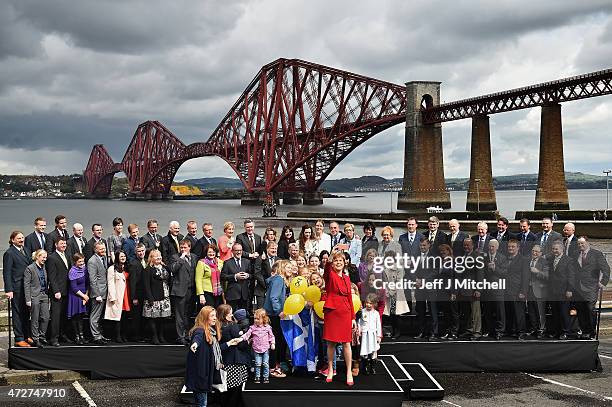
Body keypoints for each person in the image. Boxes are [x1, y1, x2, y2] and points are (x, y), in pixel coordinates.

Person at [185, 306, 242, 407]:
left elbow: (214, 350)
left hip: (203, 375)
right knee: (202, 404)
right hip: (200, 376)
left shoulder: (210, 333)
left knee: (201, 403)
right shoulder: (200, 331)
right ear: (205, 317)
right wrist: (195, 344)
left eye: (215, 315)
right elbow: (197, 339)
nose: (215, 318)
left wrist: (229, 343)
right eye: (212, 316)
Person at [322, 251, 355, 386]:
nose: (338, 263)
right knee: (331, 343)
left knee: (346, 343)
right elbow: (326, 270)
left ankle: (348, 372)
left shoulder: (347, 278)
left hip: (345, 313)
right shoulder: (330, 275)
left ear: (344, 263)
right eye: (336, 261)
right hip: (332, 312)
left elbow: (350, 299)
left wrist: (353, 317)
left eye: (340, 261)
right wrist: (330, 258)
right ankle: (330, 369)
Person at [574, 237, 610, 339]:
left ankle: (591, 332)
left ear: (587, 243)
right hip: (578, 287)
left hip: (591, 287)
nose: (580, 245)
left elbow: (606, 269)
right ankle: (584, 330)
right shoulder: (576, 254)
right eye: (579, 244)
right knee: (580, 309)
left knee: (590, 309)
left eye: (582, 243)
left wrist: (603, 282)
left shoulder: (596, 254)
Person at [217, 304, 250, 407]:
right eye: (230, 312)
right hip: (235, 362)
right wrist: (247, 341)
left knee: (224, 387)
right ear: (225, 315)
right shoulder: (232, 325)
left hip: (224, 359)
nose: (232, 314)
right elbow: (241, 344)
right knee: (236, 388)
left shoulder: (218, 326)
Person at [263, 260, 289, 378]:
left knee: (276, 341)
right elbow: (274, 297)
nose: (290, 269)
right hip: (274, 315)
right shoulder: (279, 279)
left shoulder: (277, 279)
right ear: (282, 268)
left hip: (272, 314)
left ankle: (274, 366)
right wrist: (279, 311)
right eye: (288, 267)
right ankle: (273, 368)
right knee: (275, 341)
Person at [171, 239, 198, 345]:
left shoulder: (195, 257)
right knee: (180, 315)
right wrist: (181, 258)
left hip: (191, 290)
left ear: (189, 247)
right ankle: (180, 337)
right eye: (181, 247)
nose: (183, 249)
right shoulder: (175, 257)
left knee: (188, 314)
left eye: (185, 247)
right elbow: (173, 269)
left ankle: (187, 334)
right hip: (179, 291)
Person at [46, 237, 72, 346]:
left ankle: (62, 335)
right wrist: (56, 290)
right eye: (61, 243)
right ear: (56, 245)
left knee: (64, 316)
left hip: (67, 291)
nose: (64, 245)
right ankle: (54, 338)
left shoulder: (67, 255)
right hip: (57, 292)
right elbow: (52, 276)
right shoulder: (52, 257)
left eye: (65, 243)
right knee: (56, 316)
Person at [142, 249, 172, 344]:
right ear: (151, 258)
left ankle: (161, 335)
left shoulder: (165, 268)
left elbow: (170, 280)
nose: (159, 257)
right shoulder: (148, 270)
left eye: (159, 255)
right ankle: (154, 337)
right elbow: (146, 285)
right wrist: (150, 298)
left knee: (162, 318)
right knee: (153, 318)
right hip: (153, 297)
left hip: (165, 296)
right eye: (156, 256)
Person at [548, 241, 575, 340]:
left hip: (564, 291)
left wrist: (569, 289)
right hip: (553, 291)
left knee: (564, 313)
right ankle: (557, 331)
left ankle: (565, 332)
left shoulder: (568, 260)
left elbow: (572, 276)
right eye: (553, 249)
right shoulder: (551, 259)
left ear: (562, 249)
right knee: (555, 312)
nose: (554, 251)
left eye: (556, 249)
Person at [504, 240, 530, 340]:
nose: (510, 248)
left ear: (518, 248)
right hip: (506, 290)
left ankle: (521, 332)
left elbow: (526, 277)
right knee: (509, 312)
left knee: (519, 313)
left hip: (518, 291)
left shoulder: (524, 259)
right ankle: (511, 331)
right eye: (509, 247)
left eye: (513, 247)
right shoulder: (505, 258)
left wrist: (523, 292)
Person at [241, 308, 275, 384]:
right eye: (254, 318)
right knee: (257, 363)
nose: (256, 320)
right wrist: (242, 338)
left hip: (265, 348)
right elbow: (247, 335)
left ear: (263, 319)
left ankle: (266, 377)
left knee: (265, 363)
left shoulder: (267, 328)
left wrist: (272, 343)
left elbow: (271, 336)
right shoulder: (252, 328)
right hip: (256, 349)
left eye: (258, 319)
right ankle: (257, 377)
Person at [24, 249, 49, 347]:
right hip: (34, 296)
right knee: (34, 318)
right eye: (43, 257)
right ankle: (35, 338)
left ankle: (42, 335)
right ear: (38, 257)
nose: (45, 259)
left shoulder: (44, 267)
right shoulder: (30, 268)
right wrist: (28, 299)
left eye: (46, 257)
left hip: (44, 295)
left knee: (46, 317)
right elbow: (26, 285)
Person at [482, 239, 507, 340]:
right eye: (490, 246)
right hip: (487, 288)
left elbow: (505, 273)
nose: (491, 248)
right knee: (487, 311)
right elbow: (480, 272)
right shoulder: (483, 257)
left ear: (497, 247)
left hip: (498, 289)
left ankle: (500, 331)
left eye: (493, 246)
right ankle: (489, 330)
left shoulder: (502, 257)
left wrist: (494, 269)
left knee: (499, 311)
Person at [104, 250, 130, 343]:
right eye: (121, 256)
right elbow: (110, 283)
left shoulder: (127, 267)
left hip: (127, 294)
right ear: (117, 257)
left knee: (125, 317)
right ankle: (117, 336)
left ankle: (124, 335)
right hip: (118, 295)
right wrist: (112, 297)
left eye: (124, 256)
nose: (123, 258)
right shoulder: (112, 268)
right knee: (117, 317)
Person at [87, 241, 110, 345]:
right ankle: (95, 337)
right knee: (95, 316)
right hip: (98, 294)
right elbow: (93, 280)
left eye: (104, 248)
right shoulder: (92, 261)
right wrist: (97, 295)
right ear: (95, 250)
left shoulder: (104, 258)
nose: (103, 250)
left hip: (104, 292)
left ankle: (99, 335)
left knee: (100, 316)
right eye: (101, 249)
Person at [221, 243, 252, 312]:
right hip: (232, 295)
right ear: (232, 251)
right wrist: (235, 276)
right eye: (236, 250)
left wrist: (247, 275)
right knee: (231, 315)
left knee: (244, 316)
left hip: (244, 294)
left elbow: (252, 275)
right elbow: (223, 276)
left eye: (240, 250)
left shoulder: (247, 262)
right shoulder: (227, 262)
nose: (239, 252)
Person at [526, 245, 549, 339]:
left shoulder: (545, 262)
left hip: (540, 290)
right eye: (533, 251)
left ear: (541, 253)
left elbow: (547, 276)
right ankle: (534, 329)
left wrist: (537, 272)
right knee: (531, 311)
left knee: (540, 312)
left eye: (536, 251)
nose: (534, 253)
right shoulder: (528, 260)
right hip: (529, 290)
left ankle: (541, 330)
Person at [437, 244, 459, 340]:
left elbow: (457, 278)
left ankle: (454, 332)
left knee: (454, 312)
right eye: (441, 251)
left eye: (444, 251)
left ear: (449, 251)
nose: (442, 253)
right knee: (446, 313)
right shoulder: (440, 262)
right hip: (442, 291)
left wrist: (454, 292)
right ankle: (447, 331)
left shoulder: (454, 262)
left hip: (451, 291)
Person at [67, 253, 90, 345]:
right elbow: (74, 287)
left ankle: (82, 336)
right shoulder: (72, 271)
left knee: (81, 317)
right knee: (75, 317)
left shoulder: (85, 269)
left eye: (83, 261)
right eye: (79, 261)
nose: (82, 263)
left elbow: (88, 283)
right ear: (75, 262)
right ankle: (76, 337)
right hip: (75, 296)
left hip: (84, 295)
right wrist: (83, 296)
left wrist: (86, 296)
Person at [196, 244, 225, 310]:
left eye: (213, 252)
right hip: (207, 292)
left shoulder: (220, 262)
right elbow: (198, 280)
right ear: (206, 253)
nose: (211, 253)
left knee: (218, 312)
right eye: (209, 252)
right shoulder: (201, 263)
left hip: (218, 292)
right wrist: (201, 295)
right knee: (208, 313)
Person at [359, 293, 382, 375]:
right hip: (365, 334)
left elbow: (378, 325)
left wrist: (379, 336)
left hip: (373, 335)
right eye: (367, 303)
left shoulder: (376, 313)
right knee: (364, 350)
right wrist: (359, 331)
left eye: (370, 303)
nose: (368, 305)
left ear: (374, 304)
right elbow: (360, 322)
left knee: (373, 351)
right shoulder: (362, 312)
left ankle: (372, 367)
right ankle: (364, 367)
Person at [129, 243, 147, 341]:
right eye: (139, 251)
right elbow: (132, 282)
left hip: (145, 295)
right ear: (136, 253)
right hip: (137, 295)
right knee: (137, 317)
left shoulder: (147, 261)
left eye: (142, 251)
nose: (141, 253)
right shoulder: (133, 263)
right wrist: (134, 297)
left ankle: (143, 335)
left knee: (144, 316)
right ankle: (136, 336)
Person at [253, 241, 278, 310]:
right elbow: (257, 273)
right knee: (261, 313)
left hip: (274, 292)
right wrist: (266, 284)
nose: (274, 250)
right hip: (262, 291)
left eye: (275, 249)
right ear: (267, 249)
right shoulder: (260, 259)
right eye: (272, 248)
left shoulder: (279, 260)